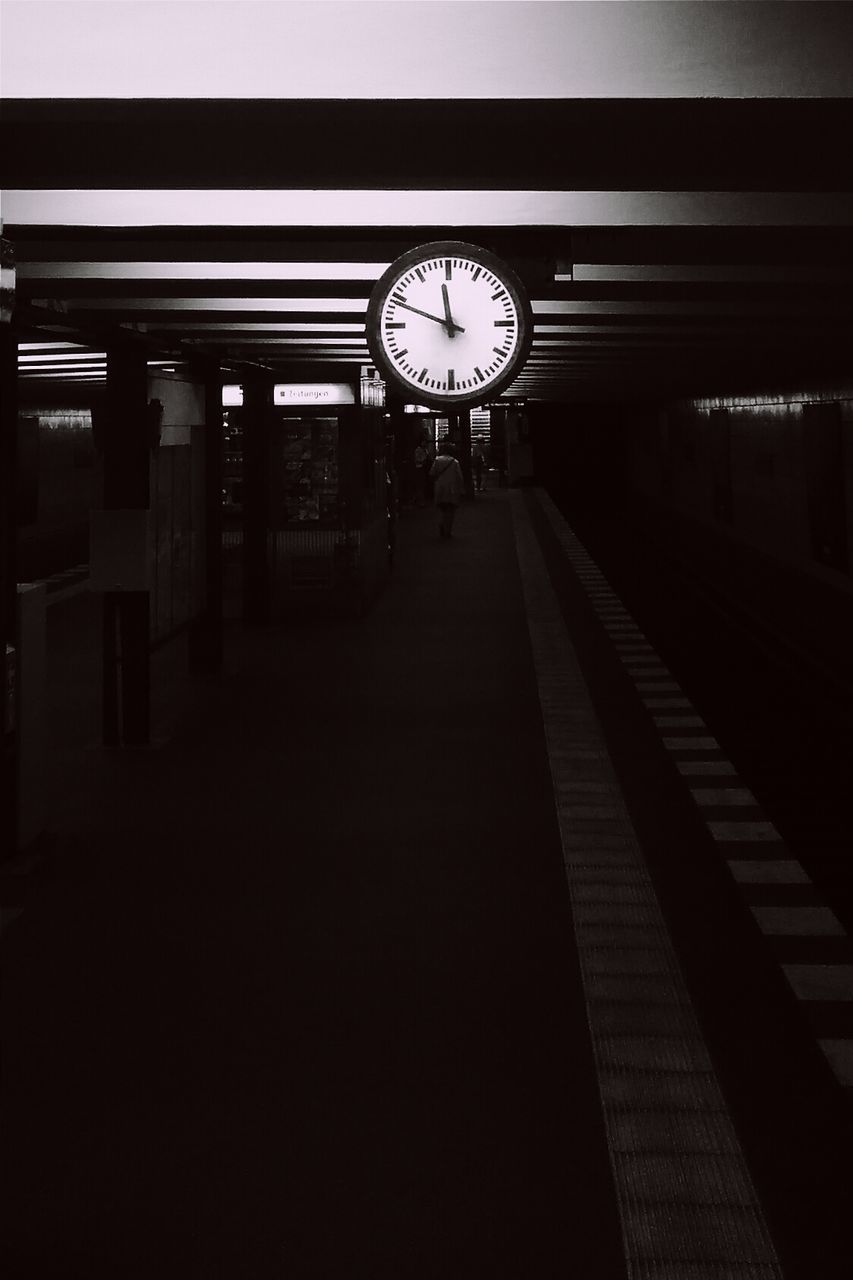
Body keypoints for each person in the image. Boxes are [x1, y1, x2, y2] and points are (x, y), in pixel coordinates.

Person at [429, 441, 465, 538]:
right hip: (451, 488)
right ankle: (448, 530)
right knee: (450, 510)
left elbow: (432, 473)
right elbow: (459, 477)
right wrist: (461, 489)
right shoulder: (454, 462)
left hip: (439, 487)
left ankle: (441, 523)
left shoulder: (437, 460)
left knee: (442, 508)